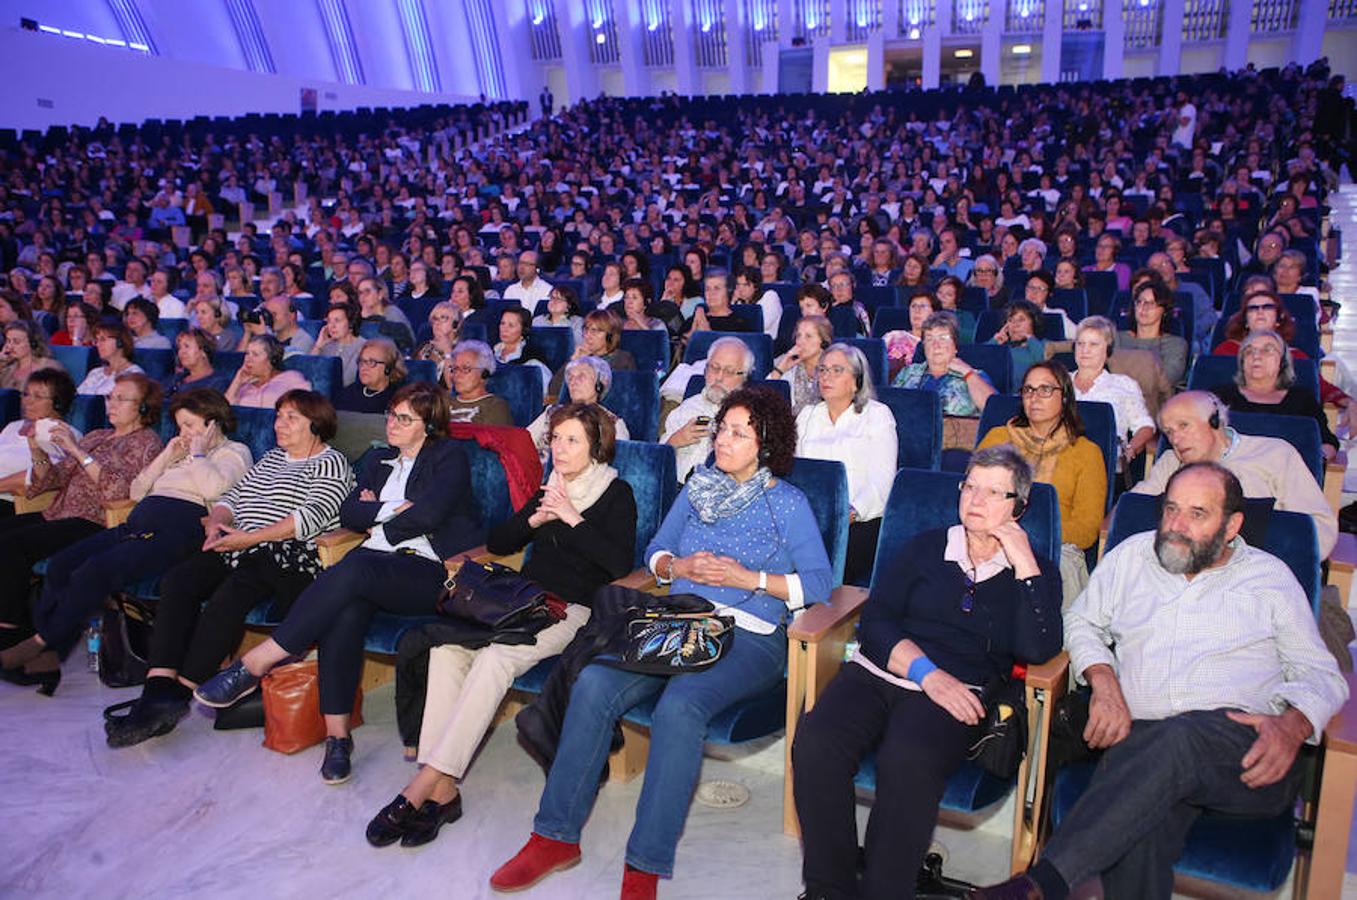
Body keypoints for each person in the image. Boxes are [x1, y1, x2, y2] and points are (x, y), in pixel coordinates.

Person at [491, 386, 833, 900]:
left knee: (680, 707)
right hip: (678, 622)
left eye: (740, 432)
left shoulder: (787, 503)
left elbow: (820, 585)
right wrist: (678, 567)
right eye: (723, 428)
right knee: (593, 681)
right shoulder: (698, 487)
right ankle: (554, 835)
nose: (724, 439)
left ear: (766, 444)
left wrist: (752, 580)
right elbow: (655, 553)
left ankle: (644, 866)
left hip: (749, 636)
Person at [974, 463, 1346, 900]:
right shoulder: (1133, 556)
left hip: (1246, 753)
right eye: (1170, 509)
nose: (1176, 525)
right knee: (1143, 829)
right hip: (1142, 747)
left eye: (1197, 514)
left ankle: (1044, 882)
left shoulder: (1270, 580)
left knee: (1178, 738)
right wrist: (1104, 681)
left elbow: (1321, 673)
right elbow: (1082, 622)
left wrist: (1292, 726)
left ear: (1232, 525)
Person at [794, 445, 1062, 900]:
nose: (976, 501)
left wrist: (1026, 566)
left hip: (960, 692)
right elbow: (876, 623)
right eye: (970, 487)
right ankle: (829, 890)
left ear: (1020, 505)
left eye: (994, 493)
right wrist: (928, 674)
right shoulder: (925, 547)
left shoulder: (1035, 571)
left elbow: (1038, 649)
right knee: (817, 741)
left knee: (909, 761)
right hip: (886, 671)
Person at [366, 402, 637, 848]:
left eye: (573, 441)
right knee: (445, 650)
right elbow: (497, 542)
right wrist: (536, 516)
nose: (561, 449)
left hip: (574, 611)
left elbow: (617, 564)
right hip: (521, 603)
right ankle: (444, 792)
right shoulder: (549, 487)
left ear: (596, 447)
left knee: (494, 659)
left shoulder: (615, 493)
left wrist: (571, 516)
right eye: (556, 439)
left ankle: (424, 784)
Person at [193, 383, 479, 784]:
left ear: (428, 426)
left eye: (404, 419)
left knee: (354, 571)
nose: (392, 424)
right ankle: (337, 738)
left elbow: (430, 515)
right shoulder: (379, 459)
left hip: (429, 569)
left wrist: (375, 511)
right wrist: (393, 508)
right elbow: (350, 512)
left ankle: (257, 663)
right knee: (343, 611)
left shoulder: (449, 457)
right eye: (391, 415)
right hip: (373, 564)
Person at [104, 390, 352, 744]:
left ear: (317, 423)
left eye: (291, 418)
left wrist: (249, 539)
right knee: (180, 581)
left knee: (229, 595)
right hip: (239, 544)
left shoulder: (331, 463)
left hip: (287, 557)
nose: (279, 424)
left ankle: (180, 692)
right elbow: (232, 498)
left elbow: (307, 519)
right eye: (278, 416)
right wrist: (216, 521)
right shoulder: (271, 458)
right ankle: (157, 688)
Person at [27, 391, 251, 713]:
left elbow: (214, 490)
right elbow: (136, 491)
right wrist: (166, 456)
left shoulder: (235, 452)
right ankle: (49, 652)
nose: (183, 433)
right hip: (136, 525)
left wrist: (199, 453)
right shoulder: (178, 451)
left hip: (178, 532)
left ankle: (41, 645)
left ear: (212, 422)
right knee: (63, 564)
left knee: (96, 570)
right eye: (178, 426)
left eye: (189, 425)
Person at [0, 373, 162, 689]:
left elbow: (119, 490)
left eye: (120, 399)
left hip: (95, 521)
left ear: (143, 408)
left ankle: (11, 637)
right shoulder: (97, 435)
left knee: (10, 548)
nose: (110, 404)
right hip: (56, 512)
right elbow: (49, 481)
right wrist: (37, 449)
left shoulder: (147, 442)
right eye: (109, 397)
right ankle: (24, 642)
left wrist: (77, 451)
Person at [1133, 391, 1337, 557]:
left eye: (1184, 426)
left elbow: (1320, 531)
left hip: (1256, 576)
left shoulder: (1275, 454)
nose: (1175, 439)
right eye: (1169, 432)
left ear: (1215, 421)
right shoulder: (1171, 463)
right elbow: (1132, 510)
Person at [978, 362, 1107, 606]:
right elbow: (973, 495)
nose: (1034, 397)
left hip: (1057, 548)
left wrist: (1029, 536)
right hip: (992, 536)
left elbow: (1087, 529)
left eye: (1045, 389)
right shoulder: (997, 438)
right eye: (1028, 390)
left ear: (1065, 397)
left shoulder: (1086, 453)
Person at [795, 343, 898, 586]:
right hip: (810, 517)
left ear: (856, 381)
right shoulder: (808, 415)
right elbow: (796, 473)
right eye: (822, 370)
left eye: (836, 370)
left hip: (860, 520)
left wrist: (849, 512)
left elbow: (883, 482)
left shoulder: (878, 415)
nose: (826, 377)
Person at [1211, 330, 1338, 459]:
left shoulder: (1302, 399)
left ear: (1283, 362)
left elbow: (1327, 442)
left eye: (1267, 350)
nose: (1257, 356)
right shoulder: (1219, 397)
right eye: (1249, 351)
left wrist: (1313, 460)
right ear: (1242, 362)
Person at [893, 312, 995, 448]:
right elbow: (890, 407)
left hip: (955, 446)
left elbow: (993, 410)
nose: (936, 345)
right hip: (908, 442)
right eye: (929, 338)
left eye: (943, 338)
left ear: (955, 346)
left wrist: (968, 373)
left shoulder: (974, 375)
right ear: (923, 346)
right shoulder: (908, 372)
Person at [1071, 316, 1156, 471]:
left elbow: (1145, 426)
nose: (1085, 350)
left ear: (1107, 350)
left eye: (1093, 344)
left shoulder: (1123, 385)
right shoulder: (1059, 382)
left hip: (1105, 464)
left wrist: (1130, 449)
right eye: (1080, 344)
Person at [661, 337, 751, 482]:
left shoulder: (751, 416)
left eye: (729, 371)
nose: (719, 377)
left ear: (744, 377)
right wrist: (675, 441)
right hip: (678, 492)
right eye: (714, 368)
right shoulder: (687, 407)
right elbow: (657, 462)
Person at [0, 369, 79, 516]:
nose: (27, 401)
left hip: (15, 504)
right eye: (26, 394)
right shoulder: (13, 426)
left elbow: (44, 477)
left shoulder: (64, 434)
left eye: (38, 396)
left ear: (57, 403)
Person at [527, 356, 629, 462]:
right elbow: (523, 440)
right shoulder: (552, 412)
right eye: (570, 377)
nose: (573, 382)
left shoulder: (613, 424)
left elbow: (620, 463)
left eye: (581, 376)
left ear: (600, 383)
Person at [548, 309, 635, 398]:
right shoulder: (580, 359)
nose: (588, 335)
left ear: (610, 336)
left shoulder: (622, 359)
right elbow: (553, 390)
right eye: (586, 329)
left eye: (595, 331)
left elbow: (617, 394)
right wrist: (573, 361)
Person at [1119, 278, 1188, 386]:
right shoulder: (1118, 339)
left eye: (1151, 303)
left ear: (1164, 310)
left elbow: (1168, 378)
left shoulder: (1175, 345)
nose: (1143, 308)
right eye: (1139, 302)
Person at [225, 334, 311, 408]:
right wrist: (236, 382)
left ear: (271, 359)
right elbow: (224, 413)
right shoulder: (243, 386)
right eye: (247, 353)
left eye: (255, 354)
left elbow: (305, 406)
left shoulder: (291, 378)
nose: (247, 359)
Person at [769, 315, 831, 415]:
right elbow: (764, 399)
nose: (800, 342)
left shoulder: (832, 372)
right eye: (798, 336)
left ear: (823, 342)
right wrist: (780, 369)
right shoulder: (789, 367)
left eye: (808, 336)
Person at [444, 340, 514, 426]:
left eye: (465, 368)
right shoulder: (445, 403)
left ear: (484, 374)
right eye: (455, 368)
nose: (457, 375)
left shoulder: (495, 406)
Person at [881, 290, 939, 380]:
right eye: (913, 306)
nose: (917, 311)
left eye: (923, 306)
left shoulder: (937, 344)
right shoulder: (893, 336)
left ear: (934, 313)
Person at [336, 338, 405, 414]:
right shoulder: (347, 393)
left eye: (371, 362)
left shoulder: (399, 400)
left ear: (388, 367)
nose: (363, 367)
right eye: (362, 361)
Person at [76, 322, 145, 395]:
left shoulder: (134, 374)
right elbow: (77, 398)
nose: (98, 344)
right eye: (96, 340)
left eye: (103, 339)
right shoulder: (95, 373)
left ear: (120, 342)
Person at [494, 307, 552, 390]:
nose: (504, 329)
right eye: (502, 323)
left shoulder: (533, 362)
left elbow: (544, 393)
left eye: (511, 325)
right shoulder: (490, 354)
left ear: (523, 330)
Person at [988, 299, 1046, 382]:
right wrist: (995, 341)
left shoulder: (1041, 344)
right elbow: (980, 361)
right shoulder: (1000, 347)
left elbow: (1043, 362)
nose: (1015, 325)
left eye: (1021, 320)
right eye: (1011, 320)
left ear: (1033, 322)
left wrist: (1030, 339)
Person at [313, 302, 366, 386]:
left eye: (337, 321)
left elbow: (347, 380)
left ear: (351, 323)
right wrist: (318, 346)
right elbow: (310, 372)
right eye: (329, 321)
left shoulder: (363, 347)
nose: (332, 326)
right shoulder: (326, 344)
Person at [167, 328, 233, 395]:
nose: (181, 352)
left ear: (203, 352)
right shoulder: (177, 379)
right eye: (179, 347)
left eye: (187, 346)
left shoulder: (217, 383)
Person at [0, 321, 62, 390]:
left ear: (33, 343)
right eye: (8, 341)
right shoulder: (6, 370)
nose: (10, 347)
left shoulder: (50, 367)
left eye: (16, 342)